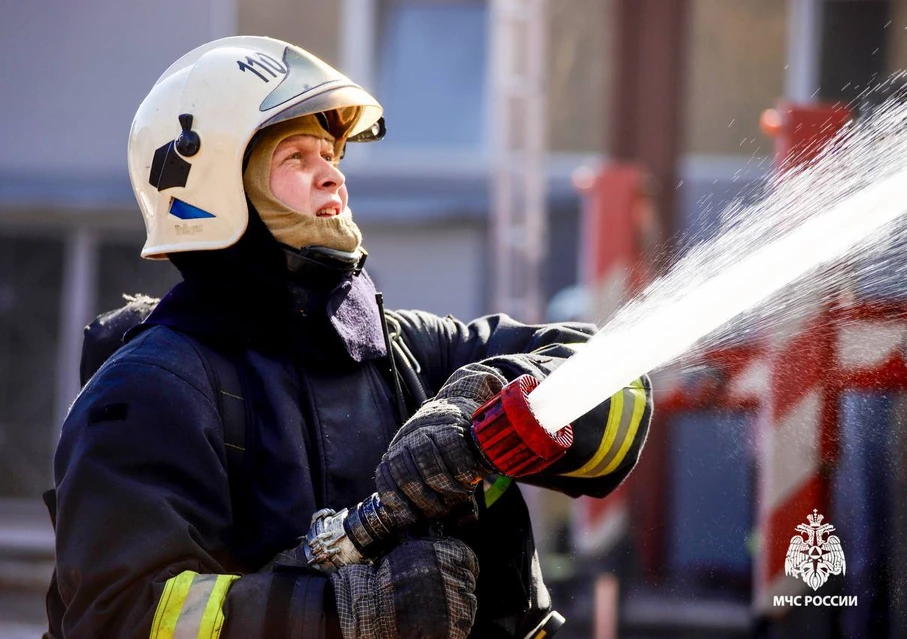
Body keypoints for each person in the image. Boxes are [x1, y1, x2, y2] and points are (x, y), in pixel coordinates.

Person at [47, 36, 653, 639]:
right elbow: (121, 617)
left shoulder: (407, 354)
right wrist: (345, 618)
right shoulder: (149, 394)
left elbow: (619, 380)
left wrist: (496, 400)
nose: (332, 175)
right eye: (295, 157)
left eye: (330, 153)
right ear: (215, 192)